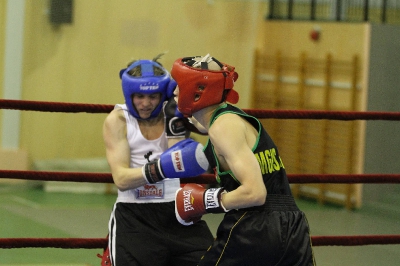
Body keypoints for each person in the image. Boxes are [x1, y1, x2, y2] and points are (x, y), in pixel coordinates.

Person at [172, 54, 316, 265]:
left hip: (255, 227)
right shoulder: (228, 117)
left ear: (196, 91)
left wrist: (206, 202)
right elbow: (201, 122)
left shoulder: (222, 128)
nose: (174, 91)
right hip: (293, 226)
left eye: (178, 85)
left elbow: (255, 193)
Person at [102, 55, 214, 266]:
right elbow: (121, 178)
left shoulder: (171, 111)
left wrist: (180, 110)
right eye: (139, 96)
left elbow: (188, 149)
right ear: (128, 93)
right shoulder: (117, 120)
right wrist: (161, 168)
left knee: (212, 261)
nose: (146, 104)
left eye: (153, 96)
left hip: (177, 211)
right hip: (134, 218)